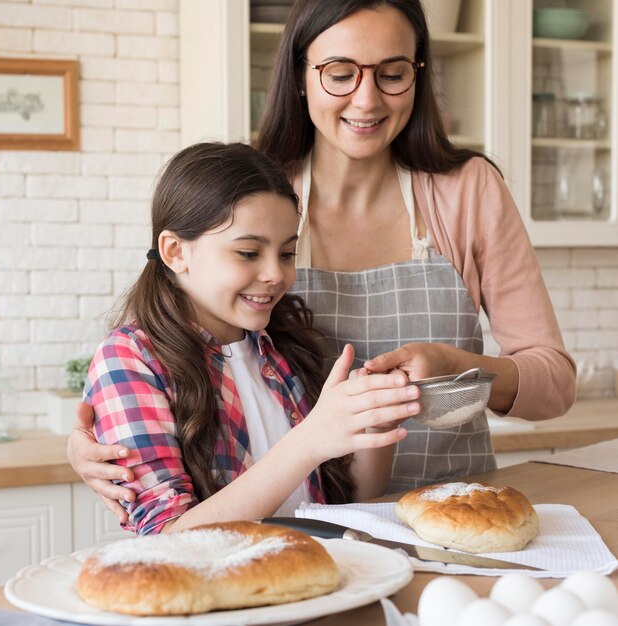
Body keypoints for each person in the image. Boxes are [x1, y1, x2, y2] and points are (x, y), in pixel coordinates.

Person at [68, 0, 576, 520]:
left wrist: (456, 367)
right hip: (319, 535)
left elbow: (554, 386)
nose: (367, 99)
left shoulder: (467, 191)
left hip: (458, 516)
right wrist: (102, 439)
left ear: (418, 76)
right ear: (299, 75)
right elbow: (165, 335)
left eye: (393, 74)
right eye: (339, 74)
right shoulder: (260, 195)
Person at [80, 141, 419, 535]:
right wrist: (309, 440)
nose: (276, 274)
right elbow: (164, 539)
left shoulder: (278, 345)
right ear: (175, 251)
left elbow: (346, 505)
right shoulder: (129, 359)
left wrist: (372, 421)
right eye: (247, 253)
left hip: (314, 580)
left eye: (287, 253)